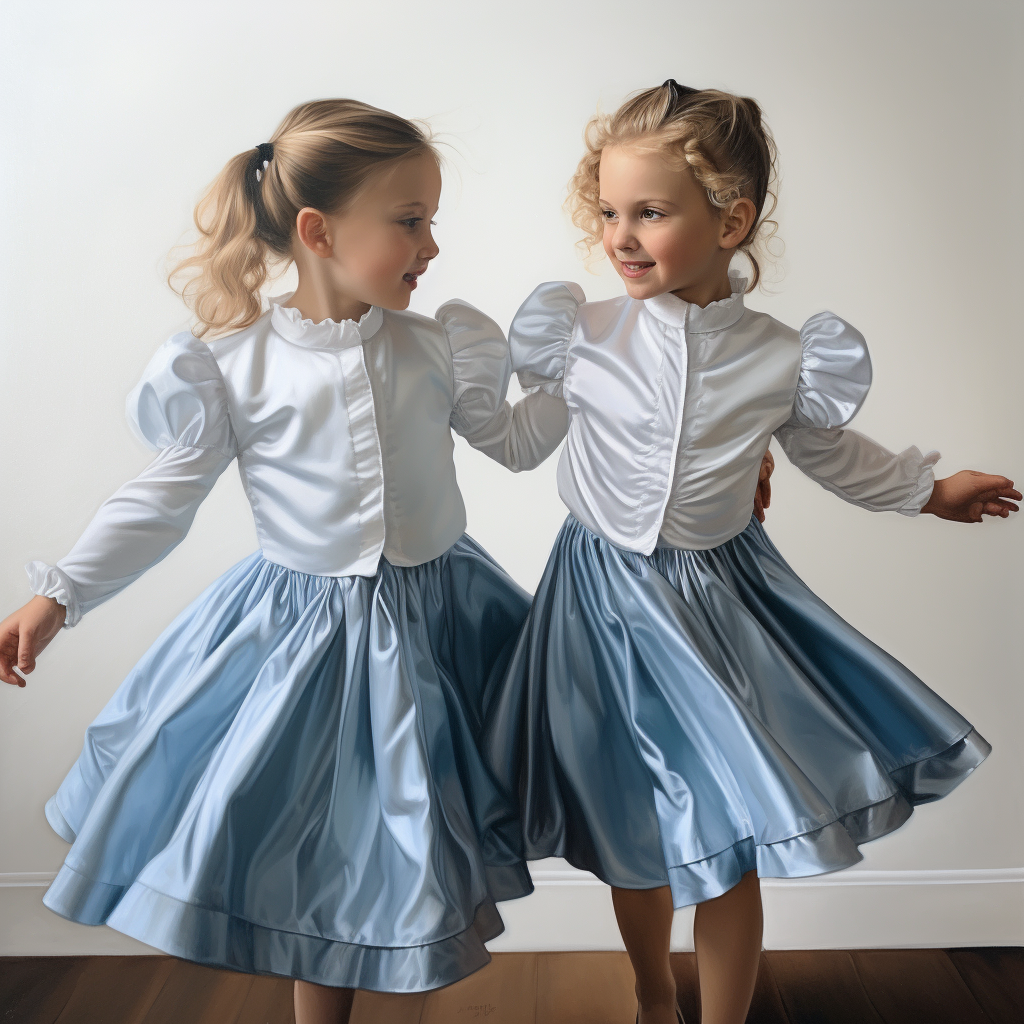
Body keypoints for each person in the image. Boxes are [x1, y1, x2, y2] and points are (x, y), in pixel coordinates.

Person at [0, 98, 573, 1023]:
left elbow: (511, 442)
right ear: (318, 230)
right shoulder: (233, 364)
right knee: (329, 844)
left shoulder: (438, 344)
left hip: (446, 620)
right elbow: (162, 499)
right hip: (310, 640)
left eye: (431, 221)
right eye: (410, 221)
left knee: (433, 822)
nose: (431, 246)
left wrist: (579, 376)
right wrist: (58, 598)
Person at [486, 80, 1019, 1024]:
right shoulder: (586, 336)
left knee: (730, 821)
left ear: (730, 221)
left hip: (716, 608)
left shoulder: (779, 355)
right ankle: (653, 994)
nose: (620, 235)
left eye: (650, 212)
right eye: (608, 211)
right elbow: (520, 440)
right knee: (631, 818)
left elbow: (831, 453)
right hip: (597, 603)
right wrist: (434, 393)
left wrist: (930, 492)